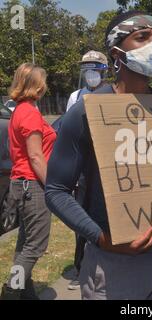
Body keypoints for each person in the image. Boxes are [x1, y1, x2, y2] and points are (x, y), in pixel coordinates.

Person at [45, 11, 152, 300]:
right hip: (112, 267)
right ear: (117, 53)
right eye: (142, 37)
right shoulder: (87, 111)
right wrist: (102, 238)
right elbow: (56, 190)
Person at [1, 63, 56, 300]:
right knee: (35, 246)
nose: (45, 85)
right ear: (37, 85)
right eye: (43, 81)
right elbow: (35, 156)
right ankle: (11, 291)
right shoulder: (30, 114)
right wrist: (53, 187)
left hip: (21, 183)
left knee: (25, 245)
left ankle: (25, 294)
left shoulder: (20, 110)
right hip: (33, 185)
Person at [65, 51, 109, 291]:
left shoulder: (113, 94)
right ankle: (80, 267)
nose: (91, 75)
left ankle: (106, 262)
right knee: (80, 216)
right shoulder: (76, 96)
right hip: (83, 167)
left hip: (105, 167)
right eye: (87, 70)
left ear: (104, 71)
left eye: (95, 70)